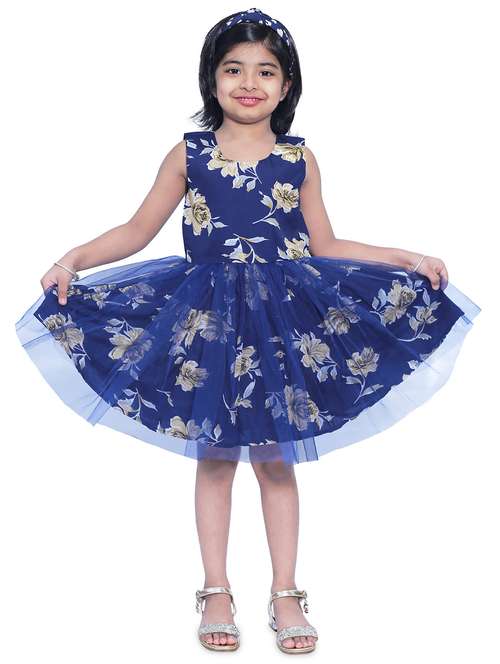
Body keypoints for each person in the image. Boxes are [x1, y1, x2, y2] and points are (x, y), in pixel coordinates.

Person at [14, 6, 481, 655]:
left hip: (281, 321)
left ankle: (286, 591)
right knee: (213, 458)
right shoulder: (190, 153)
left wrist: (406, 257)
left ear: (286, 86)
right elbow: (138, 230)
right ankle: (216, 589)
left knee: (276, 462)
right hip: (208, 320)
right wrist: (74, 258)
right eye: (234, 69)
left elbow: (325, 244)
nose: (249, 83)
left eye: (266, 71)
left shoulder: (298, 158)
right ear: (212, 80)